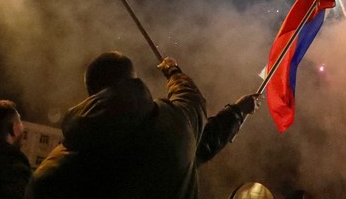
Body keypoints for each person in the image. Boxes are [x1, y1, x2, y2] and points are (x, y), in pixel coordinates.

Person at [27, 52, 254, 199]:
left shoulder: (54, 172)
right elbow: (191, 98)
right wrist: (173, 71)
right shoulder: (175, 124)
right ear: (134, 79)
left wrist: (236, 113)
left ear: (91, 91)